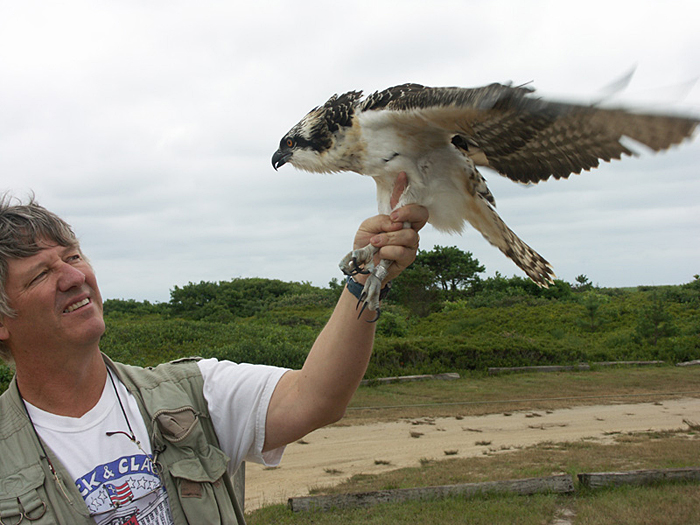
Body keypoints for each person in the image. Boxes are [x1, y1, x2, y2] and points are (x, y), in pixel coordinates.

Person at [0, 185, 427, 524]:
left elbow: (317, 397)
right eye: (42, 273)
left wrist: (365, 278)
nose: (74, 276)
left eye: (73, 256)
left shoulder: (193, 393)